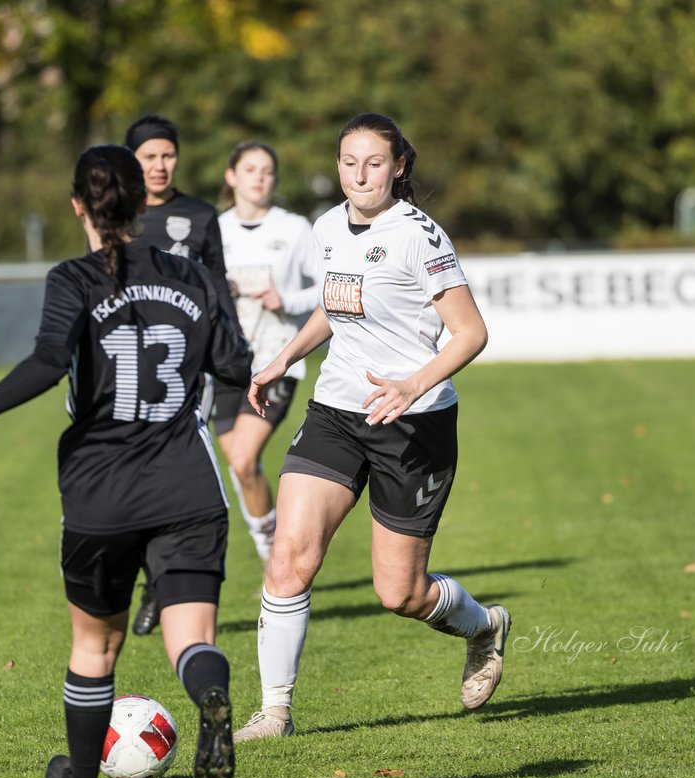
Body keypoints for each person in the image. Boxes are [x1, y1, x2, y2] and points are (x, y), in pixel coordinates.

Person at [0, 144, 252, 778]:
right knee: (193, 638)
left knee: (95, 646)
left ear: (78, 206)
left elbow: (44, 362)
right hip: (188, 484)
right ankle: (212, 699)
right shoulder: (192, 278)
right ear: (141, 202)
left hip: (102, 492)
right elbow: (235, 364)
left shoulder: (73, 278)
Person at [232, 113, 509, 742]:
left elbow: (471, 333)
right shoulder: (328, 227)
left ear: (399, 167)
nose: (360, 175)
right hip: (336, 412)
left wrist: (413, 384)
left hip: (413, 426)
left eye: (374, 163)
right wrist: (284, 357)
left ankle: (484, 627)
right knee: (288, 562)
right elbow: (337, 308)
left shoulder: (420, 237)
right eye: (349, 162)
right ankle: (274, 712)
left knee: (399, 592)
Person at [124, 114, 238, 636]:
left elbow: (218, 290)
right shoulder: (116, 212)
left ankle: (172, 581)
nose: (160, 165)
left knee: (175, 472)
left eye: (167, 155)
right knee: (131, 479)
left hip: (187, 370)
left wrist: (234, 350)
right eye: (149, 156)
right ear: (132, 161)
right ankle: (153, 576)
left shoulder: (199, 215)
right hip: (126, 367)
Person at [215, 141, 320, 565]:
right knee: (242, 471)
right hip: (224, 365)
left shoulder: (295, 229)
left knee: (243, 458)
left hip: (277, 362)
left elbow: (329, 288)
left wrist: (287, 300)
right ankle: (272, 546)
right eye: (250, 169)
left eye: (267, 171)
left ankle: (270, 557)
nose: (259, 177)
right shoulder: (214, 229)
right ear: (231, 176)